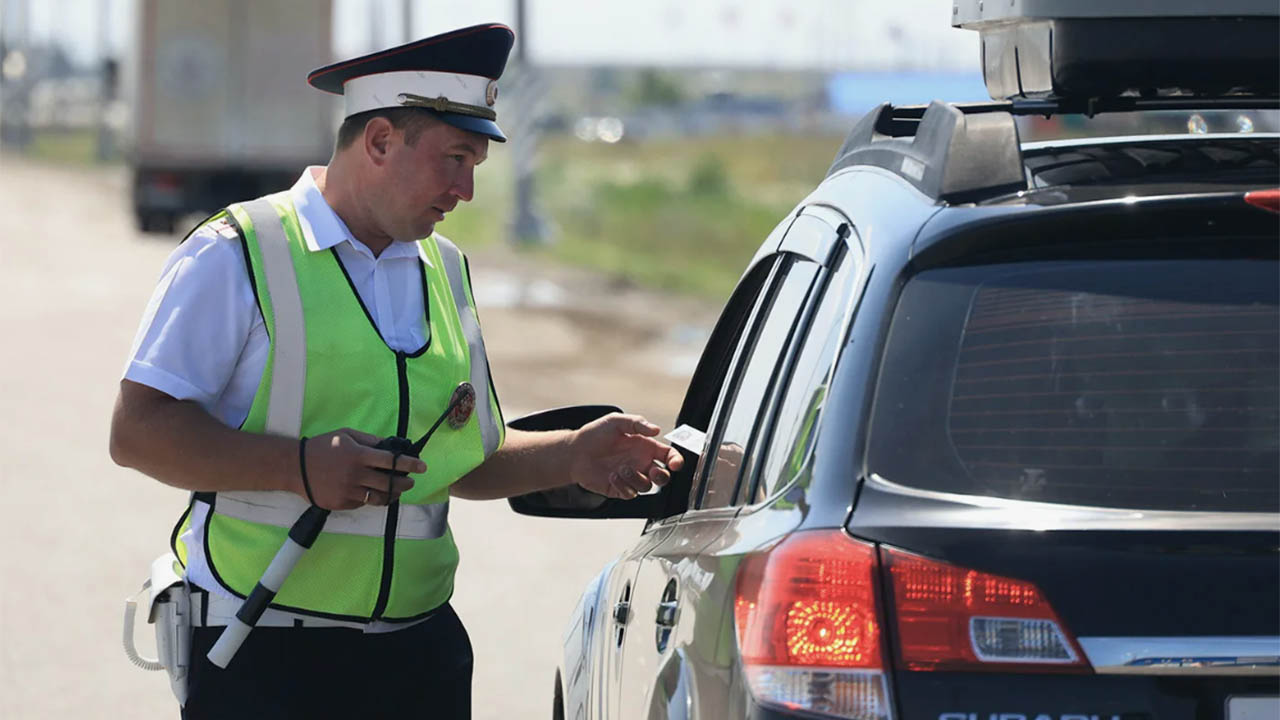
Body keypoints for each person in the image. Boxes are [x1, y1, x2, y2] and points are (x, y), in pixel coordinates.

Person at [109, 24, 682, 719]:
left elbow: (461, 460)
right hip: (265, 648)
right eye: (453, 159)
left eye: (475, 164)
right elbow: (137, 431)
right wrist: (299, 465)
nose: (466, 189)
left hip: (419, 657)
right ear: (379, 141)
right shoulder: (237, 253)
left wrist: (572, 454)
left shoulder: (446, 269)